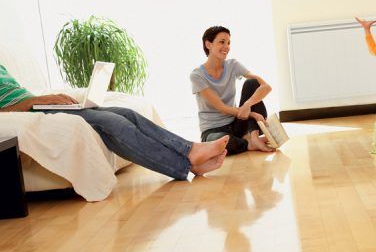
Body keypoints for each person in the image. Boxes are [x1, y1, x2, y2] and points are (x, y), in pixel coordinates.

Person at [0, 64, 229, 179]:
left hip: (38, 105)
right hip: (28, 111)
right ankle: (188, 160)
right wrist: (37, 101)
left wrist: (45, 99)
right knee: (112, 123)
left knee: (126, 114)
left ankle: (190, 155)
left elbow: (15, 93)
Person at [190, 26, 273, 156]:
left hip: (235, 123)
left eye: (228, 43)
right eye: (222, 42)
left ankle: (254, 137)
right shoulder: (197, 76)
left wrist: (247, 105)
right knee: (219, 142)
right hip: (213, 131)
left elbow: (265, 86)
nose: (226, 46)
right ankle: (249, 143)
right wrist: (252, 114)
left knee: (252, 83)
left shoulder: (232, 65)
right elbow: (222, 108)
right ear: (208, 44)